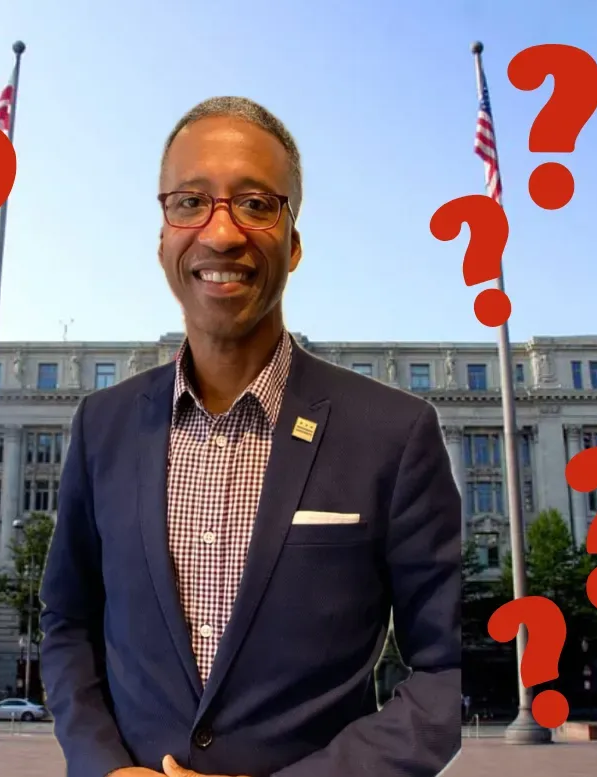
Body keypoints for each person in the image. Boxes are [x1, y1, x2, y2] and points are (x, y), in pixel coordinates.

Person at [39, 96, 461, 777]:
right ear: (162, 237)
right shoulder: (102, 425)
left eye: (256, 203)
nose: (221, 232)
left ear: (292, 243)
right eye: (189, 202)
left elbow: (442, 671)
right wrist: (105, 768)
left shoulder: (394, 432)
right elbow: (67, 623)